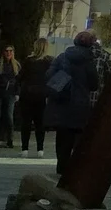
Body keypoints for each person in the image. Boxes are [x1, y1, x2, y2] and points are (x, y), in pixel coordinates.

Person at [44, 28, 106, 178]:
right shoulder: (88, 61)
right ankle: (75, 171)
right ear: (90, 45)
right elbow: (94, 85)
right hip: (80, 106)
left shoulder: (62, 57)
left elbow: (49, 75)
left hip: (61, 105)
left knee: (62, 140)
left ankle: (61, 169)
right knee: (78, 139)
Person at [18, 40, 51, 156]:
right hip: (42, 96)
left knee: (26, 123)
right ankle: (40, 149)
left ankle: (25, 149)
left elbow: (20, 77)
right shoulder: (49, 62)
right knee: (40, 123)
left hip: (27, 94)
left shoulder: (28, 61)